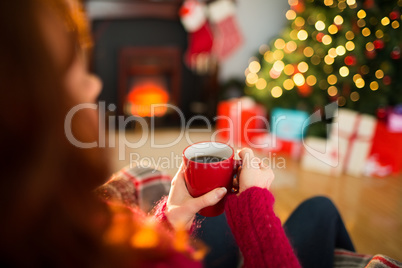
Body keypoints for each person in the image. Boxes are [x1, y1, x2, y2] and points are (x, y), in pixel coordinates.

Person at [1, 1, 401, 268]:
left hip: (183, 227)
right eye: (75, 73)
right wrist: (256, 209)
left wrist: (172, 219)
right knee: (321, 209)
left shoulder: (48, 230)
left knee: (241, 214)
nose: (93, 88)